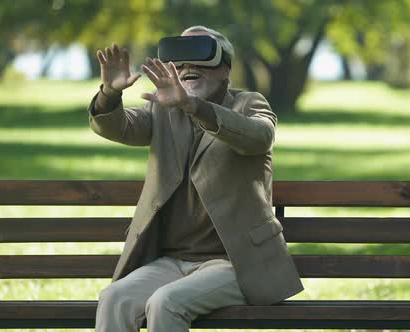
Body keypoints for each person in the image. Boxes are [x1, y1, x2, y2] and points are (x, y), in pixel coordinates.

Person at [88, 25, 303, 332]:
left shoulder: (250, 104)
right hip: (171, 262)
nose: (189, 68)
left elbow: (258, 137)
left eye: (201, 57)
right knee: (114, 298)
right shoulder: (162, 110)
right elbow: (118, 127)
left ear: (225, 69)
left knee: (166, 303)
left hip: (236, 264)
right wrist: (110, 93)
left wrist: (194, 107)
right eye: (181, 60)